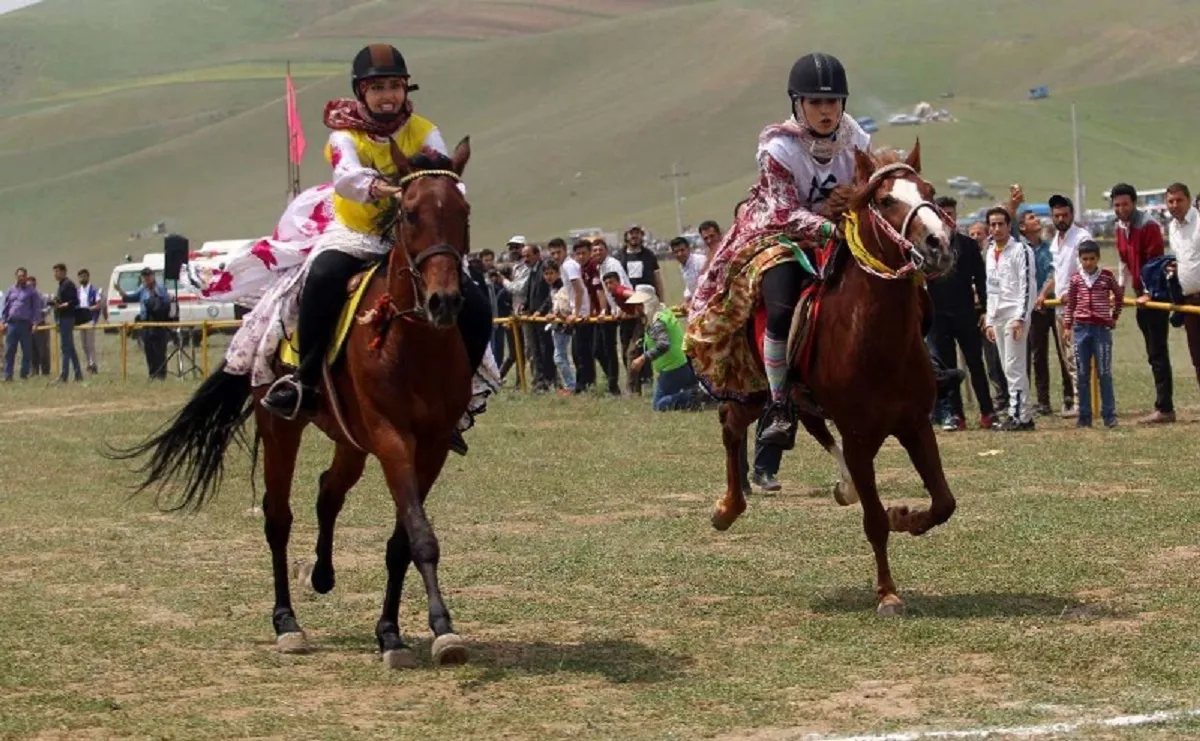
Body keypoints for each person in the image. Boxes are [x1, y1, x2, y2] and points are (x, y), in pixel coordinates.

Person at [198, 44, 497, 454]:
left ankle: (458, 399)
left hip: (413, 239)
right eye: (377, 88)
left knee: (476, 305)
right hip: (358, 233)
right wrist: (388, 189)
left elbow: (444, 173)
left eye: (395, 86)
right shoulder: (344, 135)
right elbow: (346, 178)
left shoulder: (426, 131)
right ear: (361, 92)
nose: (388, 95)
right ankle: (303, 382)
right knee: (321, 278)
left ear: (406, 89)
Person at [687, 52, 870, 449]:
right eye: (816, 102)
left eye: (833, 101)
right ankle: (779, 403)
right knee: (782, 306)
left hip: (839, 230)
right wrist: (831, 227)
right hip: (779, 235)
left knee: (891, 274)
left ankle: (921, 366)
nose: (826, 110)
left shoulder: (856, 140)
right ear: (798, 104)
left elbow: (863, 189)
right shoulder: (778, 148)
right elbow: (785, 212)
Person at [983, 207, 1037, 431]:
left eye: (1000, 224)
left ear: (1008, 226)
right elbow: (991, 288)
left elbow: (1027, 286)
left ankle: (1018, 415)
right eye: (992, 225)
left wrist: (1021, 317)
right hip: (998, 315)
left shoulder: (1021, 250)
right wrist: (989, 319)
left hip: (1015, 315)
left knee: (1014, 366)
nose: (996, 229)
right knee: (1007, 367)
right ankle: (1022, 414)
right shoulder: (990, 252)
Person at [1062, 240, 1123, 428]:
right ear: (1080, 259)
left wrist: (1114, 316)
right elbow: (1071, 304)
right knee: (1082, 374)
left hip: (1101, 330)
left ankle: (1109, 415)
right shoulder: (1075, 279)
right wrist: (1067, 326)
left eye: (1092, 259)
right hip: (1081, 329)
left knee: (1104, 373)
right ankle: (1084, 416)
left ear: (1098, 258)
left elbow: (1118, 295)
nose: (1088, 263)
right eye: (1085, 259)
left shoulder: (1106, 277)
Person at [627, 286, 700, 411]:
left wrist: (642, 359)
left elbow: (663, 344)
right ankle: (694, 393)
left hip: (672, 368)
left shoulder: (657, 322)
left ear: (647, 304)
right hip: (681, 364)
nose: (636, 308)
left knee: (658, 405)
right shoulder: (663, 312)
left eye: (639, 305)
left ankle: (693, 396)